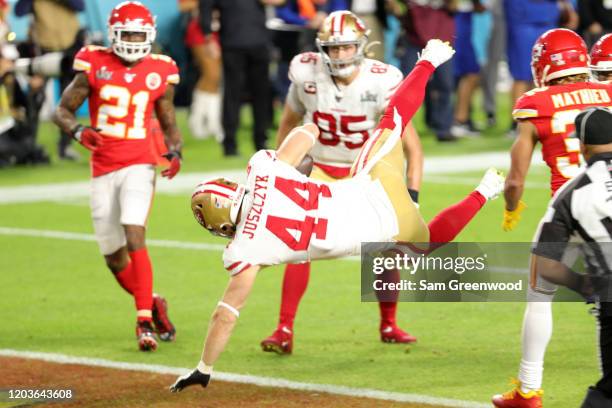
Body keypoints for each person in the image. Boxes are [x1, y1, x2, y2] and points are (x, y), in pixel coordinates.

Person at [169, 39, 504, 391]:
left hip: (386, 225)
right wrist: (299, 153)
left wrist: (204, 367)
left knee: (427, 245)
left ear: (220, 225)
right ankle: (429, 61)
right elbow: (308, 132)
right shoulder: (261, 169)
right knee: (395, 116)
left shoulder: (244, 252)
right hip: (372, 178)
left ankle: (484, 191)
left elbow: (225, 316)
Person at [260, 10, 425, 354]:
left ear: (362, 47)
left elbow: (412, 146)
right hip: (321, 168)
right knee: (298, 247)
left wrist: (411, 194)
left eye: (347, 47)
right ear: (322, 49)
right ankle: (283, 329)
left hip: (366, 174)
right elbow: (288, 122)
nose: (339, 55)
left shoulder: (381, 80)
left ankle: (389, 323)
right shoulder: (306, 74)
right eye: (333, 48)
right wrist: (279, 166)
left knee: (386, 250)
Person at [52, 1, 182, 352]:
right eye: (129, 34)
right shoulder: (94, 63)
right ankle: (153, 301)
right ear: (114, 35)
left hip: (140, 162)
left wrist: (175, 149)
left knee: (134, 229)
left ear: (150, 34)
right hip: (103, 165)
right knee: (113, 256)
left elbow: (168, 120)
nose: (136, 40)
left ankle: (143, 321)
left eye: (141, 33)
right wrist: (78, 131)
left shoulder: (160, 68)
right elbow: (60, 110)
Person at [492, 28, 612, 407]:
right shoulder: (607, 92)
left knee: (540, 292)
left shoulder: (535, 102)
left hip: (567, 205)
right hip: (607, 197)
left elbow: (515, 180)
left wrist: (511, 209)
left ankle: (528, 388)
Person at [530, 107, 612, 408]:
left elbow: (546, 265)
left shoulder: (571, 193)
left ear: (582, 145)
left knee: (606, 395)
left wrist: (582, 283)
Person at [15, 0, 85, 160]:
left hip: (69, 47)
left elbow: (80, 6)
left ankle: (65, 147)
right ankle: (28, 144)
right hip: (42, 49)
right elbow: (19, 12)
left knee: (70, 101)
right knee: (35, 98)